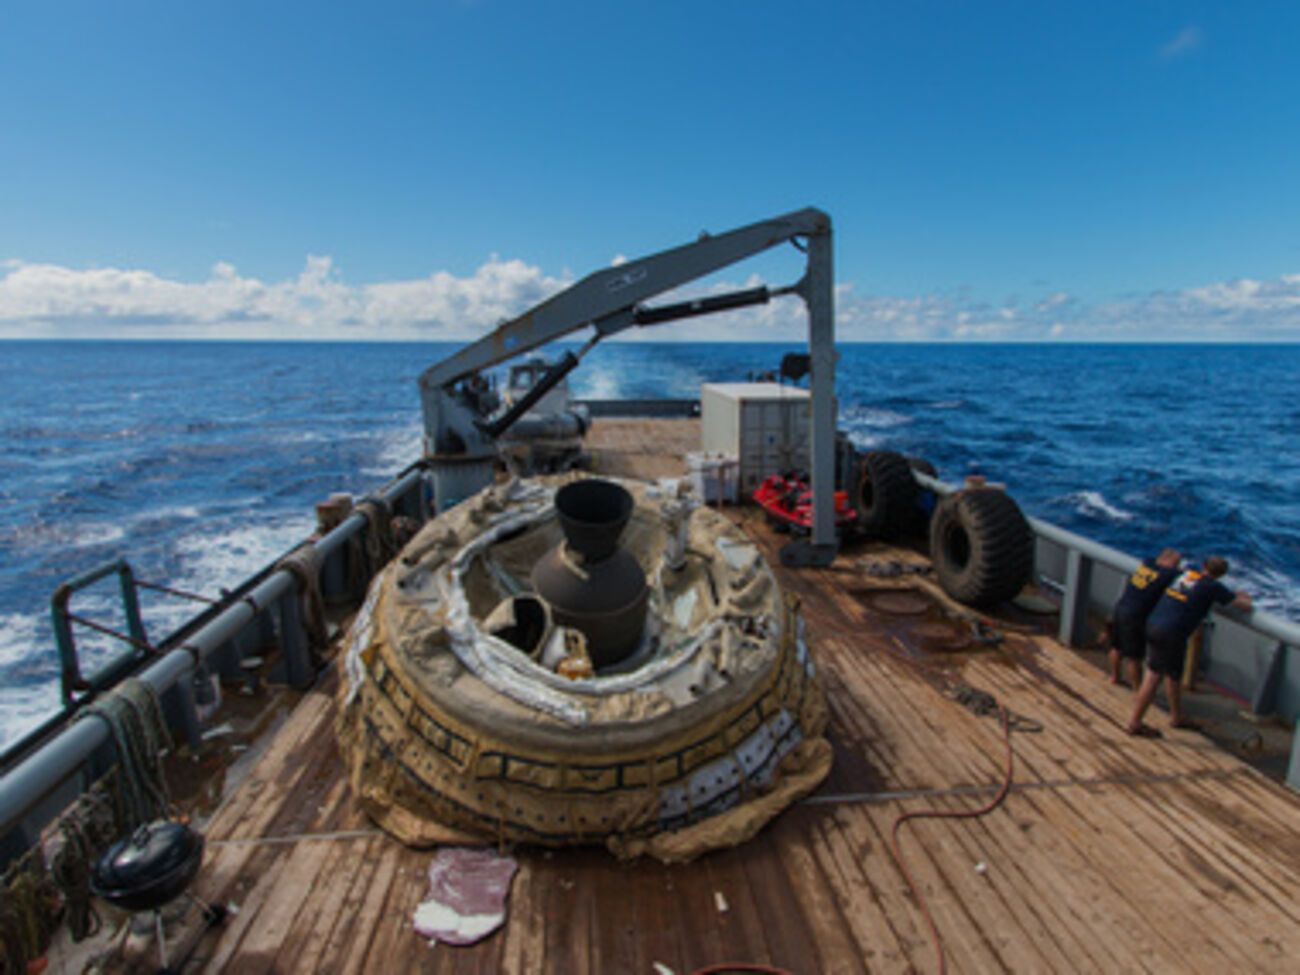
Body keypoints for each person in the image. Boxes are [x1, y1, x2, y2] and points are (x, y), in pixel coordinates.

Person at [1126, 556, 1251, 737]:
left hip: (1154, 624)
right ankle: (1135, 723)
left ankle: (1177, 717)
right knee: (1153, 677)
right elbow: (1243, 606)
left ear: (1204, 566)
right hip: (1172, 633)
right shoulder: (1213, 586)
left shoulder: (1187, 576)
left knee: (1172, 674)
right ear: (1221, 575)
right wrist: (1244, 597)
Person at [1107, 548, 1182, 688]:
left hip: (1122, 606)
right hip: (1135, 615)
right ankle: (1137, 689)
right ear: (1167, 561)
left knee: (1116, 646)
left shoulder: (1147, 563)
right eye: (1176, 563)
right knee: (1134, 657)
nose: (1177, 566)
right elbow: (1182, 576)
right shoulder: (1167, 574)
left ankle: (1114, 676)